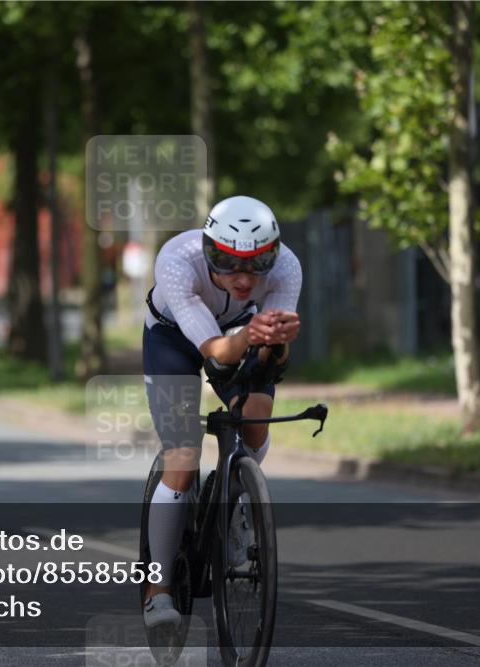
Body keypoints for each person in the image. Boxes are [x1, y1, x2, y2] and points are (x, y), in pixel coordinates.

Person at [141, 195, 302, 628]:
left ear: (273, 254)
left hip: (241, 331)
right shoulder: (177, 261)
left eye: (256, 264)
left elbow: (269, 352)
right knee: (183, 454)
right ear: (210, 251)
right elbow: (213, 350)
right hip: (175, 336)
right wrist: (254, 334)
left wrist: (275, 345)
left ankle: (234, 499)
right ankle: (158, 590)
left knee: (253, 423)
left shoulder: (287, 267)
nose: (244, 279)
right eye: (229, 264)